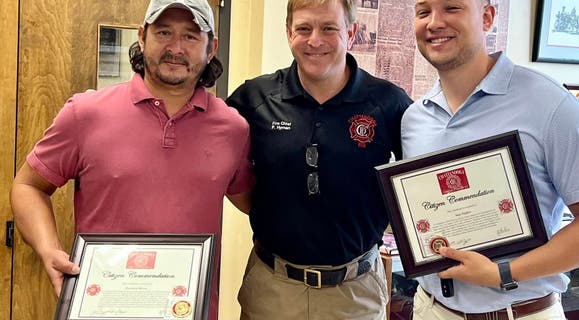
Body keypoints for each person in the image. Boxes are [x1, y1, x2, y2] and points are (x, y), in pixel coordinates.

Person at [9, 1, 253, 319]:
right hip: (101, 306)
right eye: (164, 32)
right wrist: (48, 249)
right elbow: (28, 186)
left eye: (191, 36)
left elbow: (257, 204)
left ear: (211, 48)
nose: (176, 48)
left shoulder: (233, 128)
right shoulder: (86, 113)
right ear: (142, 36)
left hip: (187, 309)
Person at [402, 1, 579, 319]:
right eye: (423, 12)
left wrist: (503, 272)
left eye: (452, 7)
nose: (434, 22)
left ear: (487, 17)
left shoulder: (549, 103)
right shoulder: (414, 118)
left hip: (521, 312)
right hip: (431, 309)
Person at [226, 0, 412, 319]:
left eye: (329, 28)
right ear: (288, 34)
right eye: (303, 28)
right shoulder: (253, 98)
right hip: (273, 289)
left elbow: (421, 176)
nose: (315, 40)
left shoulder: (387, 102)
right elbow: (218, 160)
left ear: (351, 32)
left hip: (355, 293)